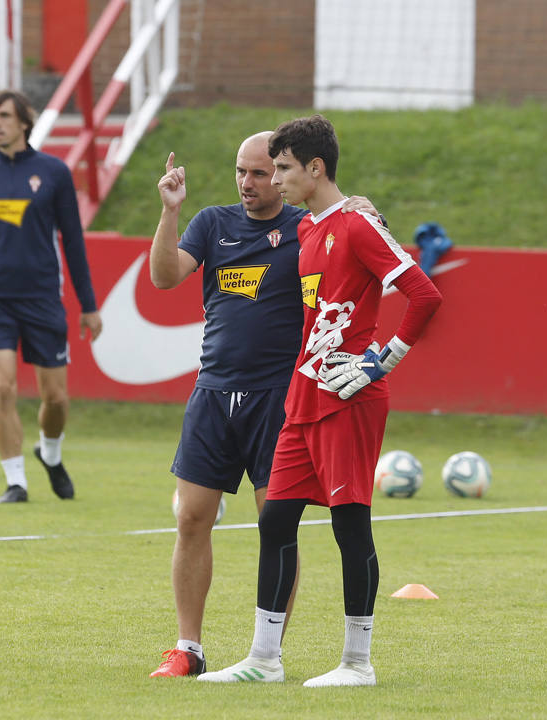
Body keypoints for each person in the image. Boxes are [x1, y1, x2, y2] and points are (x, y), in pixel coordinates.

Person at [197, 115, 442, 686]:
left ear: (315, 168)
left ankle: (358, 664)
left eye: (282, 168)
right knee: (276, 520)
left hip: (348, 397)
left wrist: (382, 359)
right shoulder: (310, 229)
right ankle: (263, 659)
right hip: (301, 396)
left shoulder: (357, 226)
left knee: (349, 527)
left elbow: (424, 295)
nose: (274, 178)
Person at [147, 131, 382, 678]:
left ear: (284, 174)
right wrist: (169, 212)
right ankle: (189, 648)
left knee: (274, 525)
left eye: (263, 173)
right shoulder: (211, 223)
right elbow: (163, 278)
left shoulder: (308, 228)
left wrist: (368, 213)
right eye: (243, 172)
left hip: (280, 398)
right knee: (190, 518)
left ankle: (267, 655)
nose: (252, 183)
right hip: (212, 393)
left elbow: (363, 252)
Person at [0, 90, 102, 504]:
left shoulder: (53, 172)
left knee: (55, 397)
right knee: (2, 387)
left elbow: (72, 241)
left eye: (3, 116)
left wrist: (88, 305)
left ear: (24, 123)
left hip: (42, 300)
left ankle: (50, 454)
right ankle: (16, 482)